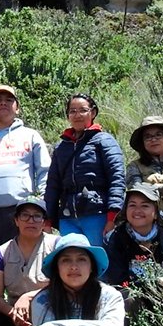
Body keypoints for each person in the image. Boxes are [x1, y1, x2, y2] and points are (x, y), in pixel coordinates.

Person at [0, 84, 51, 291]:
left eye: (9, 100)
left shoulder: (30, 135)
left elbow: (44, 170)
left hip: (22, 212)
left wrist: (41, 201)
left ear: (17, 107)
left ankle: (29, 307)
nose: (3, 103)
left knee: (27, 263)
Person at [0, 197, 58, 326]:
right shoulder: (2, 252)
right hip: (20, 318)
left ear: (44, 222)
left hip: (52, 312)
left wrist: (29, 297)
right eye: (25, 215)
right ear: (16, 220)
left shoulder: (57, 246)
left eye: (37, 216)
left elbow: (67, 285)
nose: (31, 220)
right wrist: (12, 313)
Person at [45, 93, 126, 242]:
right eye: (72, 111)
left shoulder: (104, 141)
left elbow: (117, 178)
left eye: (83, 110)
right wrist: (48, 219)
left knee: (99, 261)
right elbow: (52, 186)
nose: (77, 115)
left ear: (93, 113)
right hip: (68, 217)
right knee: (71, 261)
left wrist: (112, 215)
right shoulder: (61, 148)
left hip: (98, 214)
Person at [103, 182, 163, 318]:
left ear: (156, 213)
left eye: (145, 205)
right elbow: (117, 279)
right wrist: (147, 287)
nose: (137, 210)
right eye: (132, 205)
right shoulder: (115, 239)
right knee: (127, 299)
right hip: (132, 294)